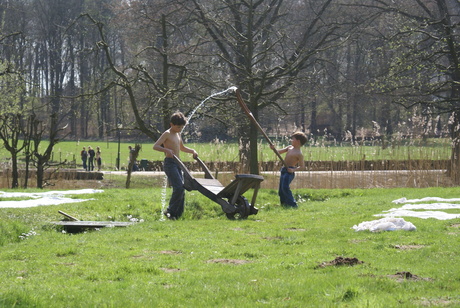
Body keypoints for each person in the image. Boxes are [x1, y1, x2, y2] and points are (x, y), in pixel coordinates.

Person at [153, 112, 198, 220]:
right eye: (178, 127)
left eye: (182, 127)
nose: (180, 129)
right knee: (178, 187)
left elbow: (181, 147)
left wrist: (192, 151)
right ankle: (170, 211)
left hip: (178, 163)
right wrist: (166, 150)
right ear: (171, 124)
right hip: (170, 163)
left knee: (182, 188)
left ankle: (177, 215)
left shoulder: (178, 134)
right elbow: (155, 146)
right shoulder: (167, 133)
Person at [270, 132, 307, 208]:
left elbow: (302, 166)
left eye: (293, 139)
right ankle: (283, 204)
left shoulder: (299, 153)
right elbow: (278, 152)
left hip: (289, 171)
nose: (291, 140)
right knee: (281, 189)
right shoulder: (289, 147)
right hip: (284, 170)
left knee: (285, 187)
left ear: (298, 141)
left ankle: (293, 205)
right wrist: (273, 148)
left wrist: (293, 170)